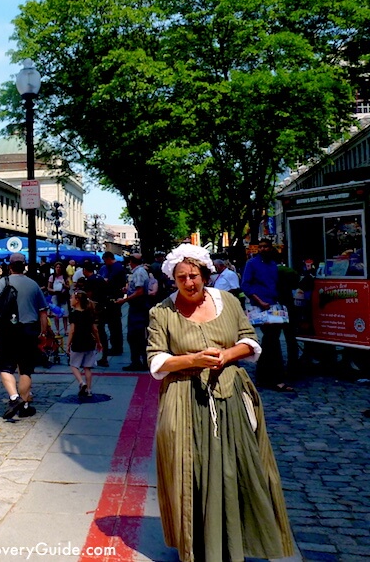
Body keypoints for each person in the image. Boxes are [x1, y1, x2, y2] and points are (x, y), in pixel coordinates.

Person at [146, 243, 294, 562]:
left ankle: (234, 538)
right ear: (173, 278)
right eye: (181, 277)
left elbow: (249, 339)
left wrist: (227, 354)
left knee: (234, 468)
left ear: (205, 273)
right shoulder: (161, 312)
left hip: (229, 396)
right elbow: (156, 359)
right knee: (191, 468)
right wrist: (191, 359)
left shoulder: (227, 300)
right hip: (184, 397)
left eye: (194, 275)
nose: (189, 282)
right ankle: (197, 541)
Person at [0, 253, 49, 419]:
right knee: (26, 370)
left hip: (8, 330)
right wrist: (43, 332)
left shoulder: (3, 282)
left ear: (10, 266)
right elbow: (43, 312)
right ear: (25, 266)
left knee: (4, 366)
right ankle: (24, 404)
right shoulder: (33, 285)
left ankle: (14, 398)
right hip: (29, 331)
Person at [241, 239, 295, 392]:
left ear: (271, 248)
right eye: (261, 247)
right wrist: (259, 301)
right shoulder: (252, 263)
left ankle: (263, 376)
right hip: (260, 307)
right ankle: (275, 379)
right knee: (272, 341)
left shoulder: (273, 265)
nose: (263, 249)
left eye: (266, 247)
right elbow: (246, 285)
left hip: (273, 307)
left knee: (270, 341)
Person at [117, 254, 150, 371]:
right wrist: (128, 290)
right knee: (137, 335)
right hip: (138, 307)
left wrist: (124, 300)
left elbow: (140, 291)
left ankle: (139, 362)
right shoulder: (139, 271)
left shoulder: (139, 272)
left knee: (135, 336)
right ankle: (139, 361)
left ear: (131, 262)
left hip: (138, 307)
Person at [67, 290, 102, 399]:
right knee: (87, 367)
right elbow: (94, 329)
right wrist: (98, 342)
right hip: (89, 342)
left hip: (77, 342)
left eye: (72, 298)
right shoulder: (89, 313)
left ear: (77, 301)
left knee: (73, 365)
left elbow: (72, 330)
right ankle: (89, 390)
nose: (70, 300)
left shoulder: (73, 314)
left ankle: (81, 382)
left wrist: (68, 344)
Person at [100, 252, 126, 357]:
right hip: (114, 297)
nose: (105, 263)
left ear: (108, 258)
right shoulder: (116, 267)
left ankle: (116, 348)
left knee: (114, 324)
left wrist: (105, 281)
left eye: (105, 260)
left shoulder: (116, 268)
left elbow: (110, 281)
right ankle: (116, 346)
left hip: (114, 298)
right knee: (114, 324)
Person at [47, 262, 70, 334]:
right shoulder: (52, 277)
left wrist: (64, 285)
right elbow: (48, 287)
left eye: (60, 267)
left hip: (63, 296)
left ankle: (66, 329)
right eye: (57, 267)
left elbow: (68, 286)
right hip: (55, 296)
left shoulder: (65, 277)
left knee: (65, 314)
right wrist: (53, 290)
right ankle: (57, 330)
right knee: (56, 314)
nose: (58, 269)